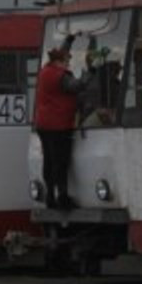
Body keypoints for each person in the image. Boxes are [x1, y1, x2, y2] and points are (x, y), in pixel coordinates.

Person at [35, 36, 93, 210]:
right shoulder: (61, 76)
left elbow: (61, 52)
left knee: (49, 161)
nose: (69, 63)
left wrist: (69, 40)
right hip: (59, 126)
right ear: (60, 61)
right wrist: (92, 71)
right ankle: (63, 197)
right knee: (61, 162)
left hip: (43, 125)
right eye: (67, 60)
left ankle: (50, 197)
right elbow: (77, 86)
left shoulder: (46, 70)